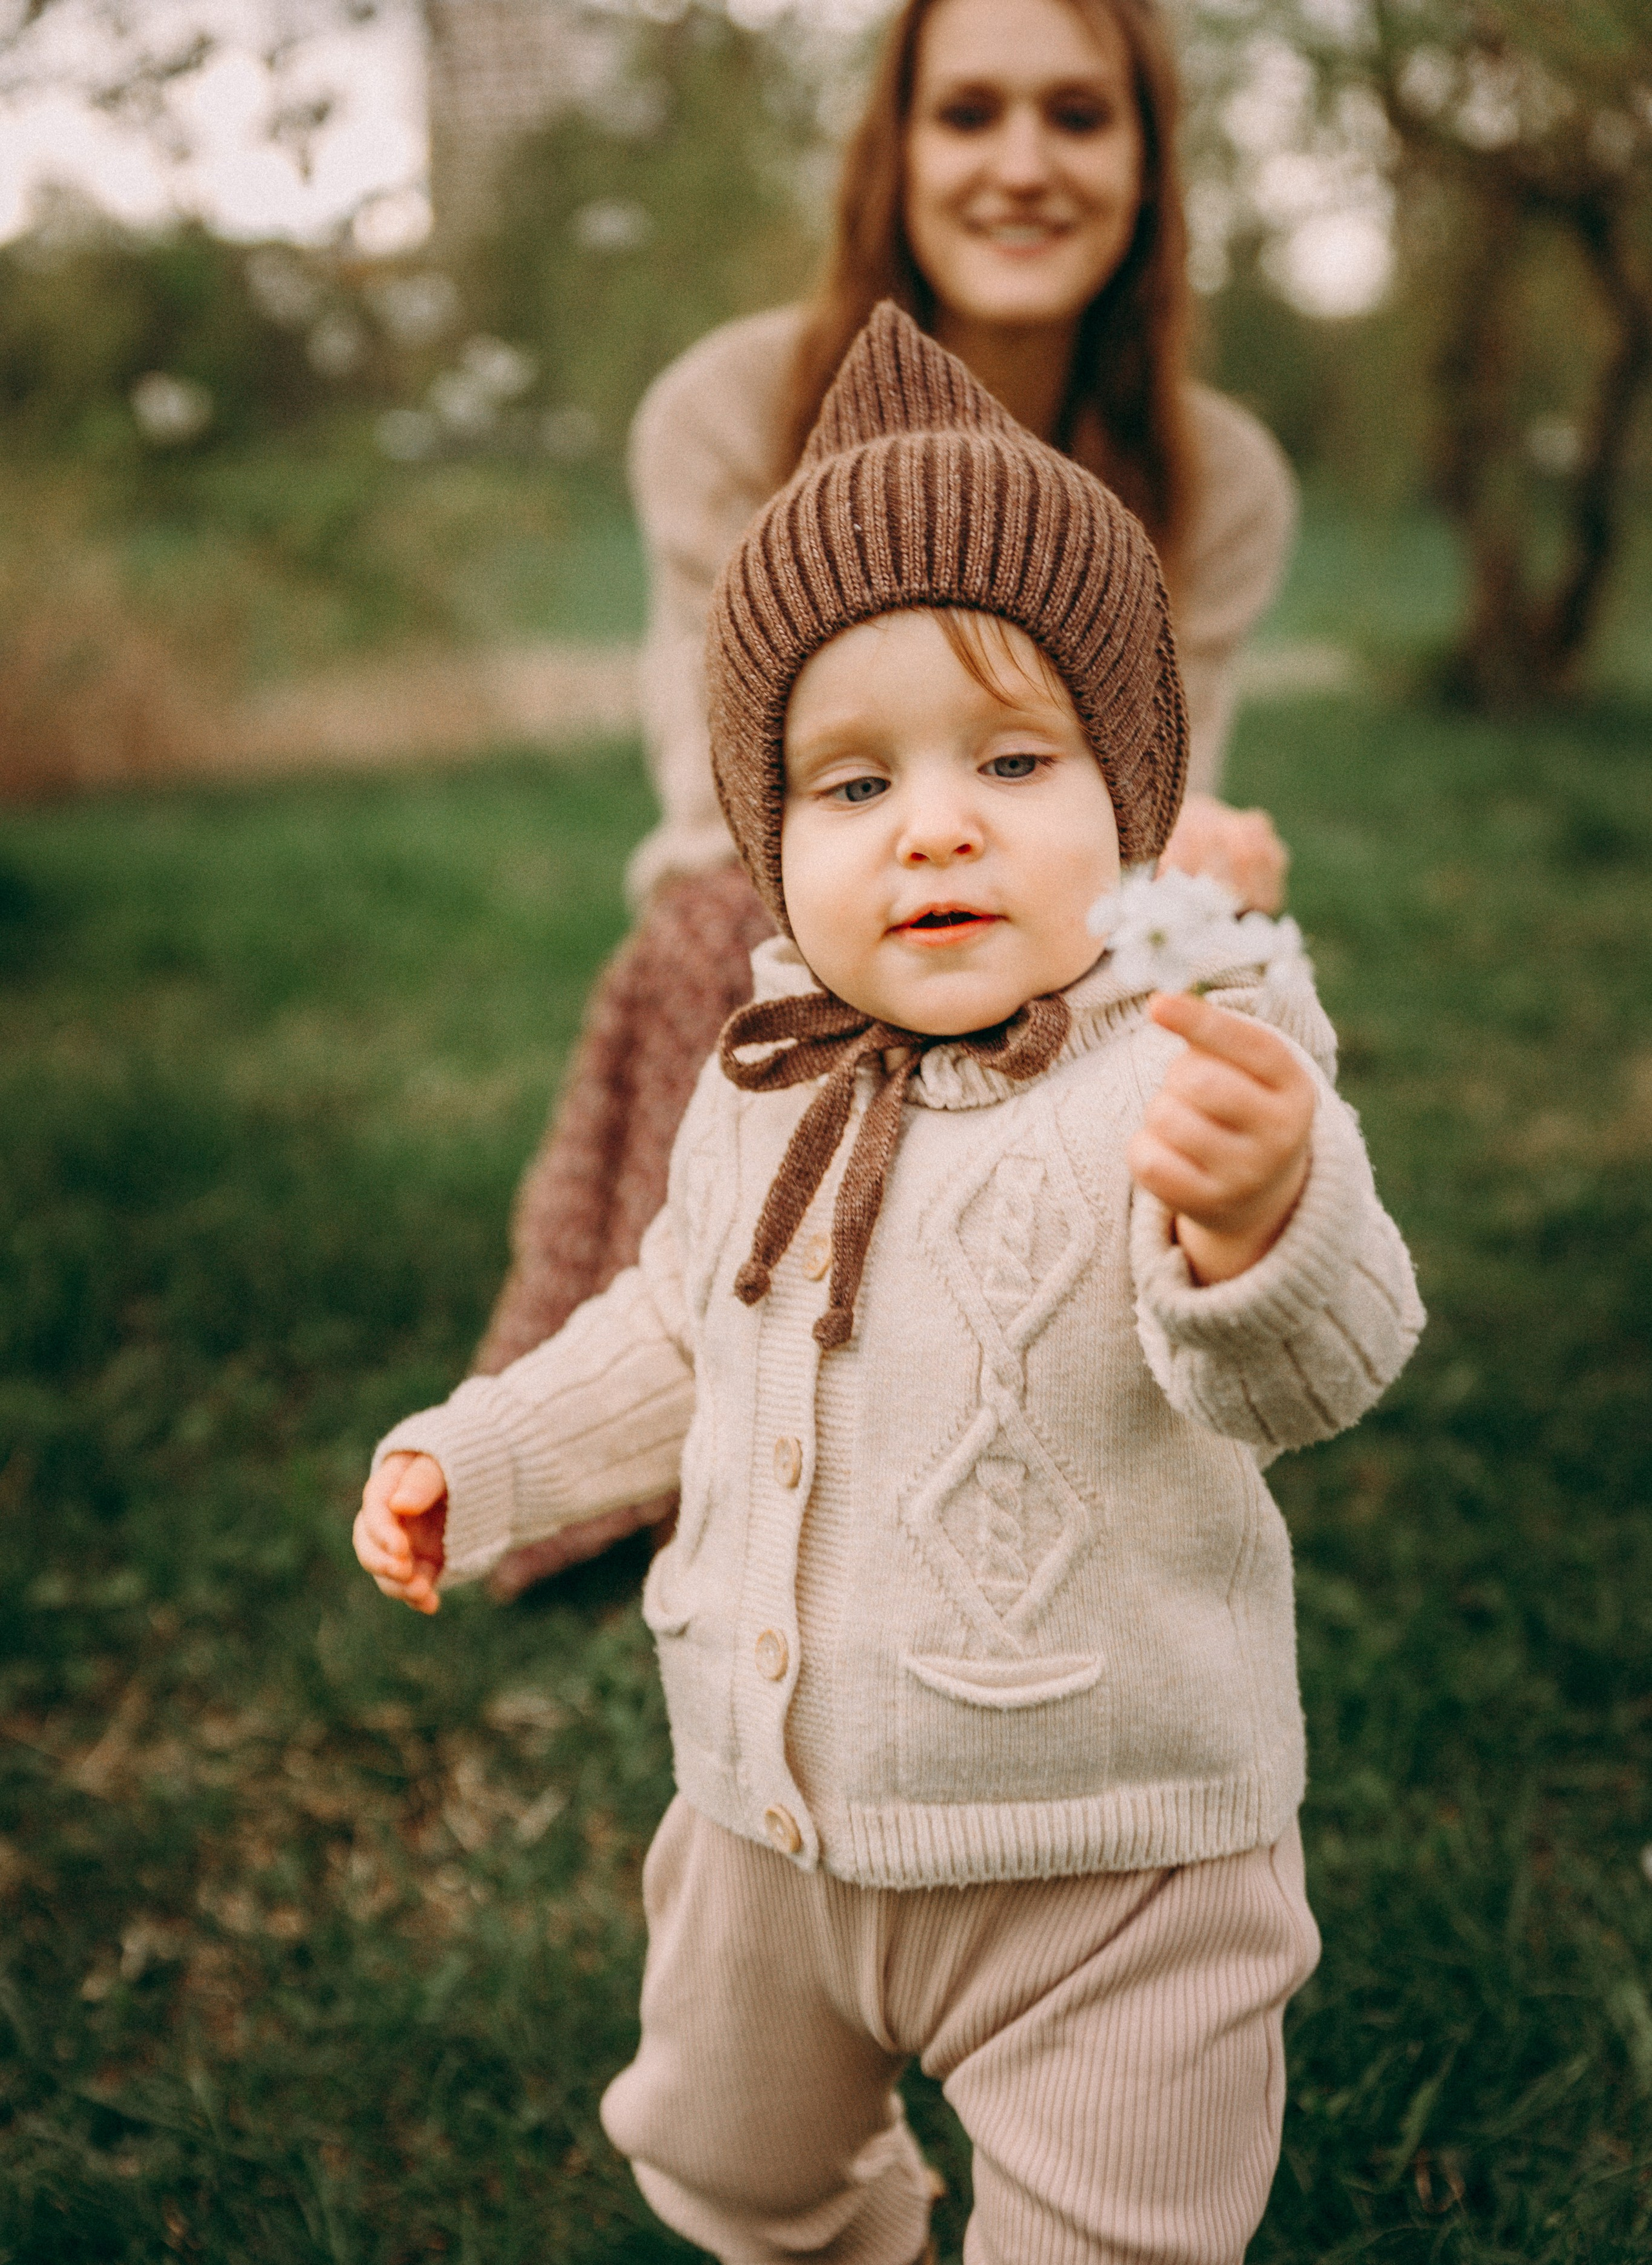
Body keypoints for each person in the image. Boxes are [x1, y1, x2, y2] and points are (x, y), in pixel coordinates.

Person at [354, 306, 1422, 2265]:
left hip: (1110, 1859)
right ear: (768, 838)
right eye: (853, 785)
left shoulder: (1195, 1055)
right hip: (769, 1821)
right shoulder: (766, 1070)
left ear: (1134, 800)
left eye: (1013, 766)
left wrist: (1262, 1213)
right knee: (715, 2128)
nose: (933, 831)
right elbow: (676, 1327)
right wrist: (488, 1452)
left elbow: (1316, 1366)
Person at [474, 0, 1300, 1597]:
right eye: (967, 113)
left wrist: (1205, 861)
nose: (1021, 164)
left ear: (1146, 165)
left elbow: (1158, 810)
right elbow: (727, 794)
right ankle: (689, 1400)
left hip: (1057, 919)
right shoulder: (728, 410)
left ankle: (1077, 1391)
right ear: (893, 154)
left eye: (1077, 116)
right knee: (723, 928)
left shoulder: (1219, 473)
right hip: (789, 894)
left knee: (1185, 978)